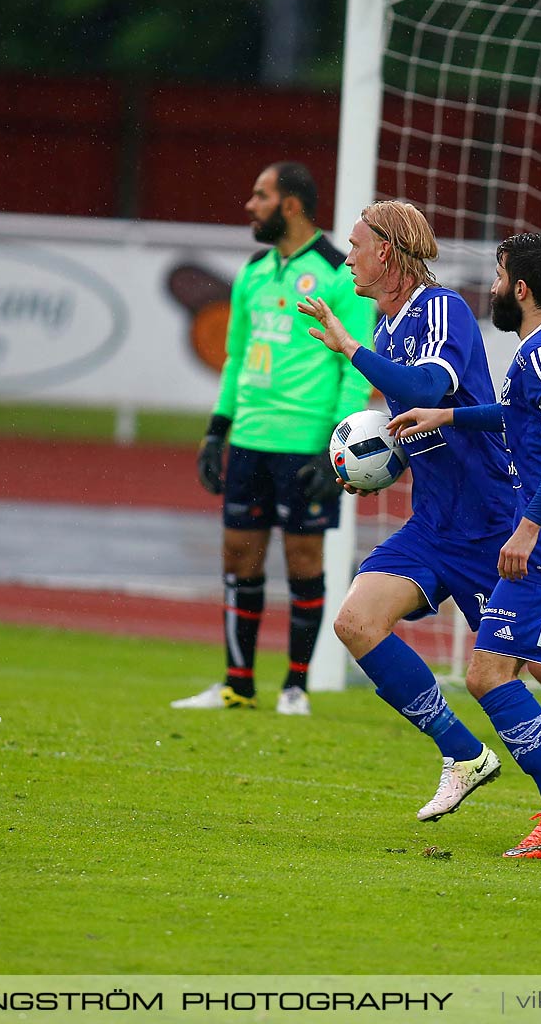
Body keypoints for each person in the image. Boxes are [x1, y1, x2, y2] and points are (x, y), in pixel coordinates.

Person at [299, 203, 541, 853]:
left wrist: (350, 348)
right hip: (436, 523)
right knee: (357, 621)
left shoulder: (440, 312)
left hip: (497, 521)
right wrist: (377, 462)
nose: (347, 256)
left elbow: (431, 389)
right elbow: (434, 415)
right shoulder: (391, 334)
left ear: (386, 251)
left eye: (355, 245)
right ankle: (467, 756)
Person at [173, 162, 374, 716]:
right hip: (250, 440)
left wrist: (334, 447)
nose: (249, 205)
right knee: (240, 557)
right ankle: (238, 683)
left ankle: (295, 687)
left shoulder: (339, 273)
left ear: (290, 205)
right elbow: (237, 357)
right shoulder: (254, 271)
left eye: (260, 196)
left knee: (305, 558)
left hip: (305, 443)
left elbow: (354, 369)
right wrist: (218, 431)